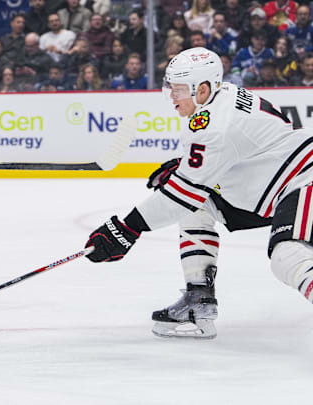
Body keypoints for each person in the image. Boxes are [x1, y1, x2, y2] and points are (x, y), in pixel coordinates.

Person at [84, 47, 313, 340]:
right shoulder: (224, 96)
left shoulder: (214, 126)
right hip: (279, 185)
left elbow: (182, 195)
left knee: (288, 257)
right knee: (198, 204)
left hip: (303, 179)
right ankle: (199, 301)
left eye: (178, 90)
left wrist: (126, 228)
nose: (172, 97)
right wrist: (185, 170)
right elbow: (228, 159)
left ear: (202, 89)